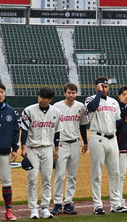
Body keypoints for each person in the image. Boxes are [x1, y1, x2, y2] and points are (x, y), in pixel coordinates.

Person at [85, 77, 127, 215]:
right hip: (98, 137)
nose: (104, 89)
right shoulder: (90, 99)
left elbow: (118, 123)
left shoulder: (114, 102)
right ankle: (97, 205)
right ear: (96, 87)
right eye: (102, 86)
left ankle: (116, 204)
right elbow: (92, 108)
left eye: (106, 86)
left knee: (115, 173)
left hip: (112, 138)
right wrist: (98, 93)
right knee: (97, 173)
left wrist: (126, 119)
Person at [20, 87, 61, 219]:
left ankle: (44, 207)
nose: (41, 99)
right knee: (32, 179)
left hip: (48, 148)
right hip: (32, 148)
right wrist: (23, 147)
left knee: (46, 179)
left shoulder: (56, 112)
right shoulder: (29, 110)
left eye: (44, 98)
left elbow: (57, 132)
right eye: (40, 96)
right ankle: (33, 209)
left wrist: (56, 150)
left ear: (50, 100)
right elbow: (24, 130)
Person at [51, 83, 89, 216]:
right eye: (69, 92)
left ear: (76, 93)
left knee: (72, 175)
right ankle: (57, 203)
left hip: (74, 143)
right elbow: (53, 127)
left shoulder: (80, 107)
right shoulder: (56, 107)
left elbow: (83, 125)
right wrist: (53, 146)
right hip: (61, 143)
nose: (71, 95)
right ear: (64, 93)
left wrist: (85, 142)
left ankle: (68, 202)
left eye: (73, 93)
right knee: (60, 175)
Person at [0, 82, 19, 222]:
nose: (0, 94)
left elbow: (15, 130)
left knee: (7, 182)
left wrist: (15, 149)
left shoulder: (10, 110)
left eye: (2, 92)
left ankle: (9, 211)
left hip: (5, 152)